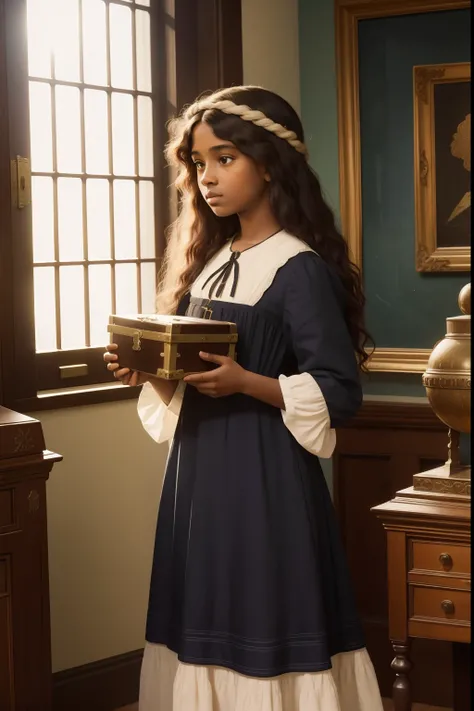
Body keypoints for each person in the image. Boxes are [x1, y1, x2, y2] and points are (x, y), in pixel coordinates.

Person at [104, 85, 383, 711]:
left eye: (225, 157)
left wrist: (247, 383)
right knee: (201, 617)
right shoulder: (208, 263)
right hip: (199, 476)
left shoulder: (298, 266)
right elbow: (193, 377)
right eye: (199, 163)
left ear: (271, 160)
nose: (208, 176)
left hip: (266, 479)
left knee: (261, 614)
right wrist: (148, 371)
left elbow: (339, 392)